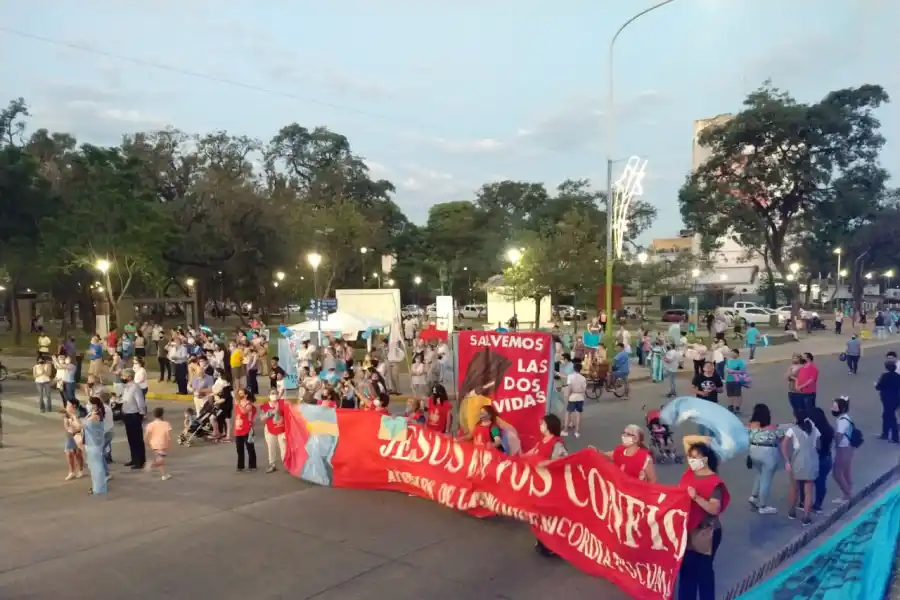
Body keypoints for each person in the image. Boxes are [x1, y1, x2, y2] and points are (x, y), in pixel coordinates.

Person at [678, 442, 730, 600]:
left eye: (695, 457)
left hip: (705, 532)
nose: (691, 460)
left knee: (703, 573)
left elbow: (714, 508)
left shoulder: (714, 483)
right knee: (687, 572)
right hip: (688, 530)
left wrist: (696, 497)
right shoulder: (689, 474)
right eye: (690, 457)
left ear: (705, 459)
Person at [528, 414, 568, 558]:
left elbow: (562, 461)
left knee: (550, 517)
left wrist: (545, 463)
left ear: (550, 426)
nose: (540, 426)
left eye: (543, 424)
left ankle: (553, 546)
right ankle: (542, 541)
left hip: (551, 485)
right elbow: (531, 454)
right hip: (539, 484)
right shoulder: (542, 441)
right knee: (539, 515)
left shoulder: (557, 444)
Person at [781, 408, 820, 526]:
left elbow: (784, 445)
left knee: (794, 487)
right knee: (808, 491)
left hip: (797, 461)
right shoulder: (814, 430)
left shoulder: (792, 430)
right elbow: (818, 445)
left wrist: (787, 461)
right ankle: (806, 517)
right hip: (812, 461)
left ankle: (792, 511)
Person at [747, 404, 781, 515]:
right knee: (766, 478)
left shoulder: (751, 426)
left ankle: (753, 496)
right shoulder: (773, 428)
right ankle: (762, 505)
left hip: (753, 451)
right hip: (768, 454)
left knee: (759, 473)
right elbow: (781, 437)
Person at [79, 397, 109, 495]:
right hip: (90, 442)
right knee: (93, 466)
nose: (88, 405)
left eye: (89, 403)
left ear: (94, 405)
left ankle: (99, 488)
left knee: (97, 467)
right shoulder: (92, 413)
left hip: (94, 443)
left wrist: (73, 416)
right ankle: (97, 486)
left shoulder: (96, 415)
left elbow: (82, 425)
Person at [119, 369, 147, 469]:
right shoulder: (126, 387)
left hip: (134, 415)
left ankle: (140, 461)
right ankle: (134, 458)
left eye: (123, 376)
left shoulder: (135, 387)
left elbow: (140, 402)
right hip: (127, 415)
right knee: (131, 438)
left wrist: (142, 414)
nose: (122, 378)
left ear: (129, 377)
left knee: (137, 439)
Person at [831, 396, 855, 504]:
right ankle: (847, 493)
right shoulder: (846, 418)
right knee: (846, 472)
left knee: (837, 473)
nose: (832, 409)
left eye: (835, 407)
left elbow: (838, 437)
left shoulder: (841, 421)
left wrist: (834, 446)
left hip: (843, 449)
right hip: (849, 448)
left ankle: (847, 496)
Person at [143, 407, 172, 480]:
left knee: (159, 459)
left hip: (154, 444)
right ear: (162, 414)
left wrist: (147, 443)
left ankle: (164, 475)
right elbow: (168, 435)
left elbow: (146, 436)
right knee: (160, 460)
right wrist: (169, 443)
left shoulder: (150, 424)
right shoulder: (166, 424)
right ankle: (151, 465)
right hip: (163, 444)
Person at [233, 388, 258, 472]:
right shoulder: (237, 402)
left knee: (250, 448)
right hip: (238, 428)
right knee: (239, 448)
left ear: (246, 395)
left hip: (247, 428)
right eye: (239, 394)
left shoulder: (248, 404)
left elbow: (244, 412)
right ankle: (240, 466)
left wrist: (239, 404)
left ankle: (252, 465)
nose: (240, 395)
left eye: (241, 394)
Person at [875, 360, 900, 443]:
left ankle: (894, 437)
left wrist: (876, 384)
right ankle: (885, 434)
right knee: (886, 416)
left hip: (887, 399)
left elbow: (878, 387)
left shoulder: (885, 376)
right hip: (896, 399)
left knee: (890, 417)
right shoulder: (898, 376)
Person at [562, 362, 588, 438]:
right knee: (578, 415)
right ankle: (576, 432)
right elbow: (584, 389)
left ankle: (565, 430)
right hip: (580, 398)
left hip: (572, 398)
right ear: (580, 369)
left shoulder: (570, 376)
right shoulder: (583, 378)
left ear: (573, 368)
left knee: (568, 413)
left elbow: (569, 388)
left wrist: (567, 396)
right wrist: (578, 390)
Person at [63, 399, 85, 481]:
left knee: (78, 453)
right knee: (69, 453)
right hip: (69, 435)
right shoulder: (67, 414)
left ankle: (80, 469)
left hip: (78, 435)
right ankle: (71, 471)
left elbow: (81, 426)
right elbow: (66, 424)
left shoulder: (80, 413)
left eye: (69, 404)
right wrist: (69, 429)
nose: (67, 406)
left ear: (74, 406)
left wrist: (75, 430)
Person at [723, 348, 746, 414]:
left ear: (738, 354)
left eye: (735, 353)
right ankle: (730, 406)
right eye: (732, 352)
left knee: (737, 394)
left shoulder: (740, 362)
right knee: (730, 394)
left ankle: (737, 406)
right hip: (729, 380)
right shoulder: (728, 361)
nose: (733, 354)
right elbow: (726, 369)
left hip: (737, 380)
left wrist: (733, 371)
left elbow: (742, 371)